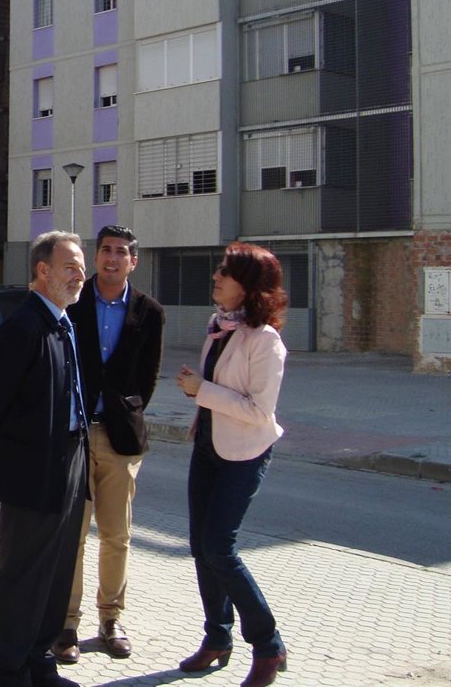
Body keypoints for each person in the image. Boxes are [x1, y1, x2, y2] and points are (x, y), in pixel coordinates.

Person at [0, 231, 89, 687]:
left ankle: (39, 660)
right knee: (21, 574)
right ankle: (7, 670)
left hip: (70, 460)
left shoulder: (63, 323)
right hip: (32, 468)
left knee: (56, 570)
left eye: (81, 268)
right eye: (70, 267)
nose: (80, 275)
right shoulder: (23, 326)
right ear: (43, 270)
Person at [175, 242, 289, 687]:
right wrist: (200, 389)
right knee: (200, 547)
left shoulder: (266, 342)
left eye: (226, 272)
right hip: (207, 446)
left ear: (249, 285)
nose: (216, 277)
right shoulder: (219, 327)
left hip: (244, 453)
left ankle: (268, 645)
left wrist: (201, 390)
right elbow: (218, 389)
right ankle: (217, 637)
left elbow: (260, 411)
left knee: (220, 548)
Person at [52, 226, 165, 665]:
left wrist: (122, 411)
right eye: (105, 250)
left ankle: (111, 619)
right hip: (75, 436)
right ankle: (66, 623)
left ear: (133, 261)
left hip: (120, 440)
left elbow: (147, 379)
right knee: (73, 536)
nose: (111, 258)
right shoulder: (73, 303)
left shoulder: (149, 312)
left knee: (116, 535)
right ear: (95, 256)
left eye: (121, 252)